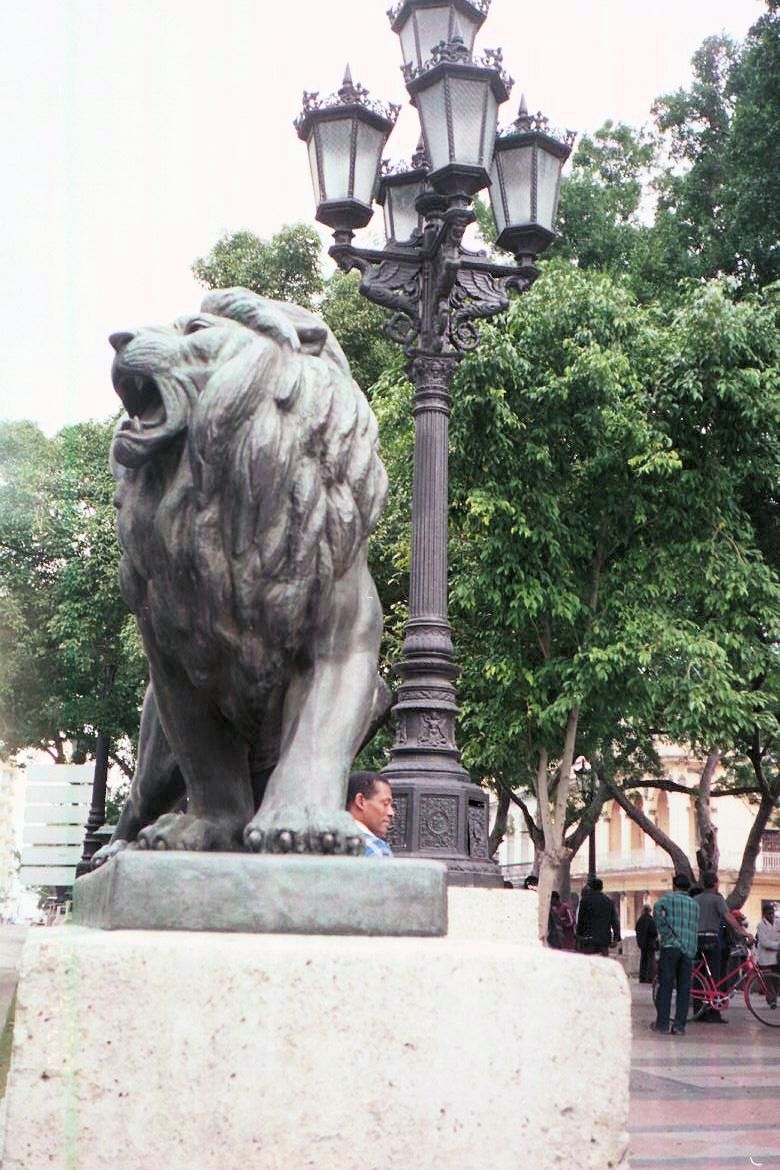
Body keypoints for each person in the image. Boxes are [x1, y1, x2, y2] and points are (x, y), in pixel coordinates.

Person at [693, 872, 754, 1023]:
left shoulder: (695, 899)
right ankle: (714, 1013)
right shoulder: (717, 899)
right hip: (711, 939)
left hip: (697, 940)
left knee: (699, 975)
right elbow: (729, 918)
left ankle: (698, 1012)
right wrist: (743, 932)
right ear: (715, 883)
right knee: (715, 977)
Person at [652, 872, 699, 1035]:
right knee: (684, 989)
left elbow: (656, 911)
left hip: (671, 946)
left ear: (674, 886)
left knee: (666, 986)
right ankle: (679, 1026)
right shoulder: (695, 904)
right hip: (688, 949)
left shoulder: (667, 899)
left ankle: (662, 1024)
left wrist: (665, 933)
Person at [346, 772, 395, 857]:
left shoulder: (327, 842)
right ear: (360, 801)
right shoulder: (376, 851)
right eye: (385, 804)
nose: (391, 813)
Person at [575, 877, 620, 957]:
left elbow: (581, 921)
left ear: (591, 887)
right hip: (604, 940)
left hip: (588, 939)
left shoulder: (585, 901)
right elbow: (615, 921)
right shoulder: (609, 901)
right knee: (603, 962)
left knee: (589, 961)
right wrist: (616, 938)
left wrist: (579, 937)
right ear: (602, 888)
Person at [755, 903, 780, 1008]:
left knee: (776, 980)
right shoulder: (761, 925)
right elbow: (764, 942)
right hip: (765, 959)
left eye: (772, 913)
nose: (771, 915)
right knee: (768, 981)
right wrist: (778, 944)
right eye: (769, 913)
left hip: (777, 957)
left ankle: (774, 999)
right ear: (764, 914)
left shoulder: (778, 922)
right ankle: (771, 1001)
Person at [635, 904, 658, 983]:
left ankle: (642, 977)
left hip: (642, 944)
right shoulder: (651, 920)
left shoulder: (640, 920)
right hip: (650, 944)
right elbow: (654, 932)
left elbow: (637, 930)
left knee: (643, 960)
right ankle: (650, 978)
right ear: (649, 911)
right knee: (651, 961)